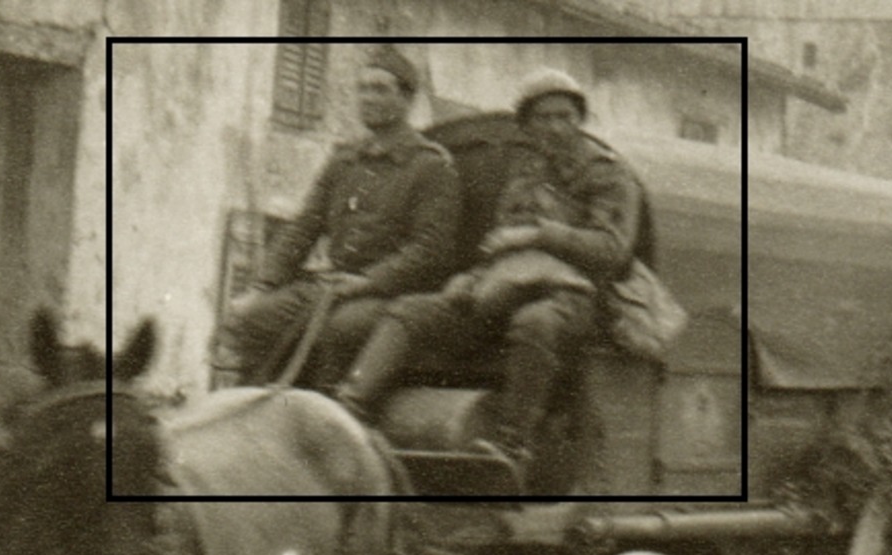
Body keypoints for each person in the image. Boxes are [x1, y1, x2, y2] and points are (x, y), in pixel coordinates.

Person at [335, 68, 643, 476]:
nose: (554, 127)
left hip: (574, 299)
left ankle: (510, 447)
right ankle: (347, 413)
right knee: (410, 312)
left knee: (534, 323)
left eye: (564, 116)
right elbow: (500, 240)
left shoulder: (607, 173)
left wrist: (539, 234)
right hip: (505, 287)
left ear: (578, 120)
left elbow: (611, 251)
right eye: (542, 118)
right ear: (527, 125)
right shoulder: (525, 171)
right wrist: (473, 275)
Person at [215, 46, 461, 389]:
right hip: (330, 286)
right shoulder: (345, 160)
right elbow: (304, 227)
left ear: (406, 100)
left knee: (342, 327)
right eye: (362, 88)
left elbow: (430, 251)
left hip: (390, 295)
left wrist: (367, 282)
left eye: (380, 89)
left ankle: (333, 421)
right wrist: (262, 287)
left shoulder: (431, 167)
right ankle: (252, 409)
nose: (367, 98)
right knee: (253, 318)